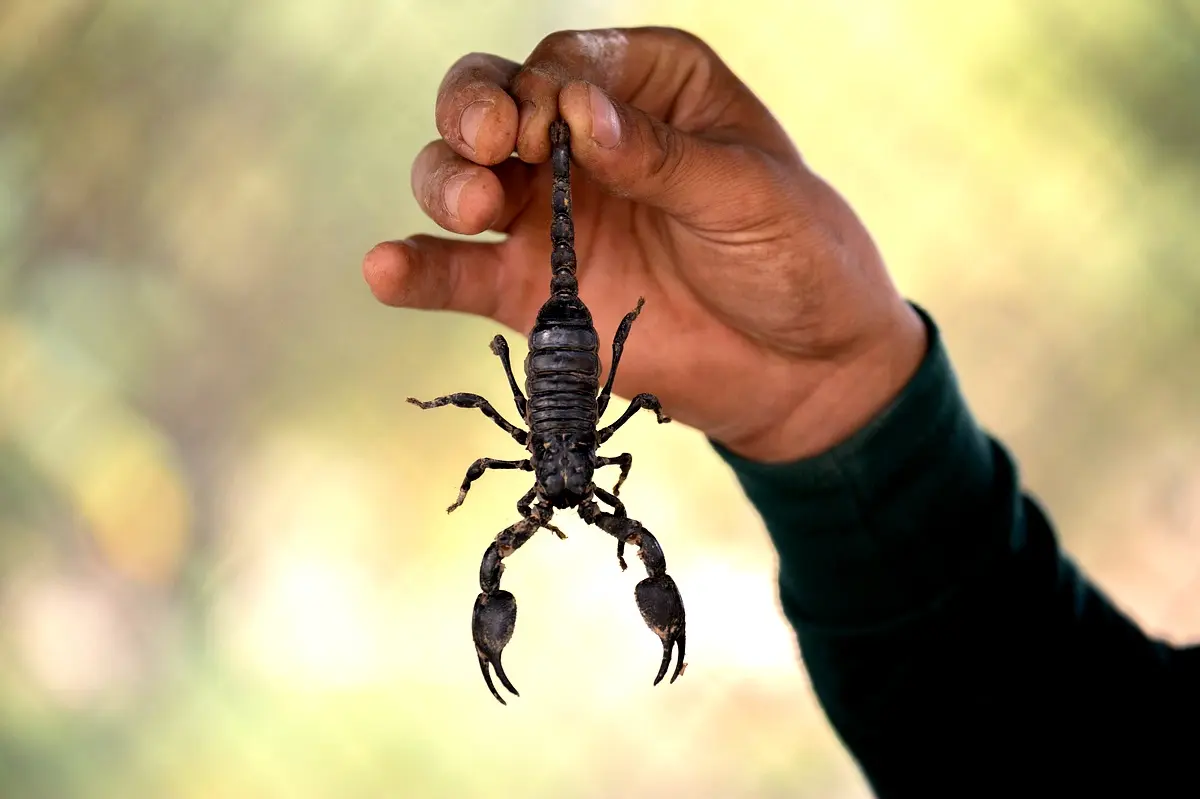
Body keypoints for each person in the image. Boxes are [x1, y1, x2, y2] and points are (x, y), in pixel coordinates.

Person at [361, 27, 1196, 795]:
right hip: (575, 363)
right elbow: (1058, 740)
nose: (574, 508)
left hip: (558, 366)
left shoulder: (548, 488)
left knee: (524, 527)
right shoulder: (601, 476)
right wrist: (835, 405)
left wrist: (826, 411)